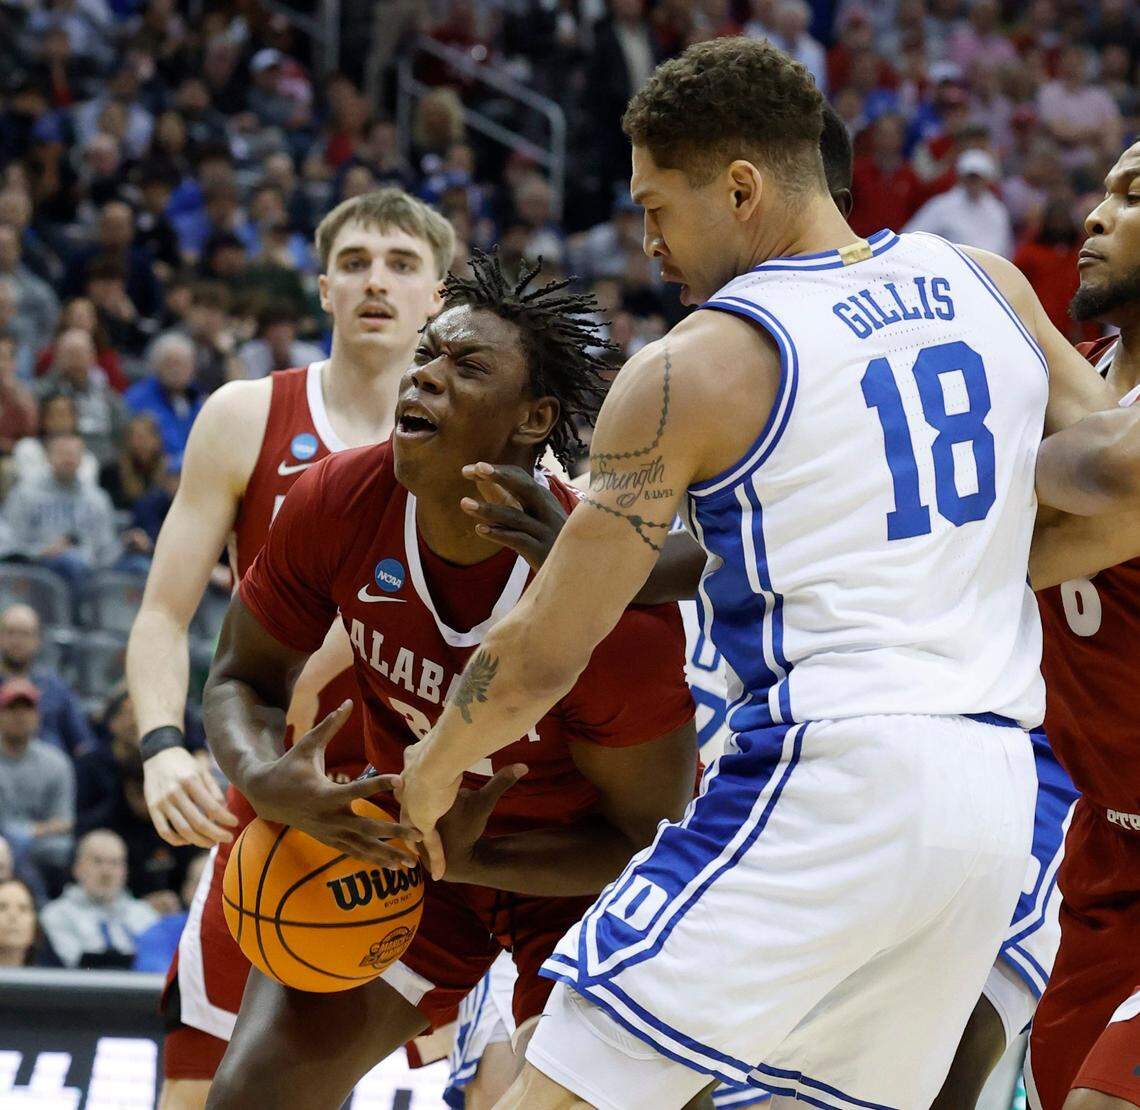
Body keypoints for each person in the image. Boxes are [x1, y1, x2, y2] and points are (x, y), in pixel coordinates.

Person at [397, 38, 1140, 1110]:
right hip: (989, 811)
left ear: (741, 187)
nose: (647, 240)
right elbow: (1117, 484)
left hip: (826, 777)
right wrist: (973, 559)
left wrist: (432, 769)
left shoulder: (694, 364)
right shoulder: (983, 282)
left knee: (544, 1095)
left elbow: (540, 652)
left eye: (659, 205)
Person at [201, 252, 698, 1110]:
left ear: (532, 418)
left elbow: (642, 840)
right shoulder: (335, 501)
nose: (425, 376)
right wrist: (259, 776)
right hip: (402, 853)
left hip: (579, 884)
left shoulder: (606, 608)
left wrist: (485, 856)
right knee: (251, 1097)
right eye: (426, 355)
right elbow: (241, 677)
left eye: (465, 366)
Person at [124, 187, 455, 1109]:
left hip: (429, 815)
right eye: (354, 263)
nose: (375, 282)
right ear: (322, 289)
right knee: (196, 1090)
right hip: (278, 805)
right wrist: (159, 745)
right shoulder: (243, 415)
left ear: (441, 295)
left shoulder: (484, 430)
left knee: (510, 1084)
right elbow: (161, 615)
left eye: (400, 264)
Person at [1026, 141, 1140, 1110]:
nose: (1096, 216)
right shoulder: (1071, 386)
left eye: (1134, 196)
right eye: (1099, 190)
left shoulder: (1068, 413)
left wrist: (998, 296)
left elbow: (1097, 477)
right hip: (1108, 837)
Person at [5, 432, 120, 589]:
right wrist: (41, 552)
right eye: (62, 453)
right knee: (71, 561)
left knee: (137, 567)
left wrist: (125, 545)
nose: (69, 459)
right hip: (37, 571)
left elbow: (107, 549)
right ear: (48, 457)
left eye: (74, 454)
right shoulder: (25, 494)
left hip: (91, 572)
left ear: (82, 459)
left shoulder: (97, 498)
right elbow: (10, 543)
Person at [40, 828, 160, 969]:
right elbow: (71, 966)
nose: (107, 872)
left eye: (115, 863)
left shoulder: (146, 915)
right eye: (98, 861)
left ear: (125, 871)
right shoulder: (56, 914)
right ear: (77, 868)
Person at [0, 678, 74, 892]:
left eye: (27, 709)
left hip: (39, 845)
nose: (20, 716)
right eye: (12, 709)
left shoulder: (56, 761)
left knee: (62, 849)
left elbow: (64, 822)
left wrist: (29, 832)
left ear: (38, 716)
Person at [0, 603, 96, 759]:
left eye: (25, 634)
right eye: (10, 632)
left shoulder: (55, 686)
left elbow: (83, 742)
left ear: (37, 640)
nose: (17, 641)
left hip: (52, 776)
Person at [905, 148, 1015, 258]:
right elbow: (911, 236)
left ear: (987, 179)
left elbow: (1006, 250)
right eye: (970, 177)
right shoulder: (942, 206)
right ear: (961, 177)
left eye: (978, 178)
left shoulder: (997, 210)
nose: (974, 182)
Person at [124, 331, 205, 465]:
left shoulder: (197, 399)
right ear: (156, 366)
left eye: (182, 364)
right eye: (170, 364)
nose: (176, 370)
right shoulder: (137, 399)